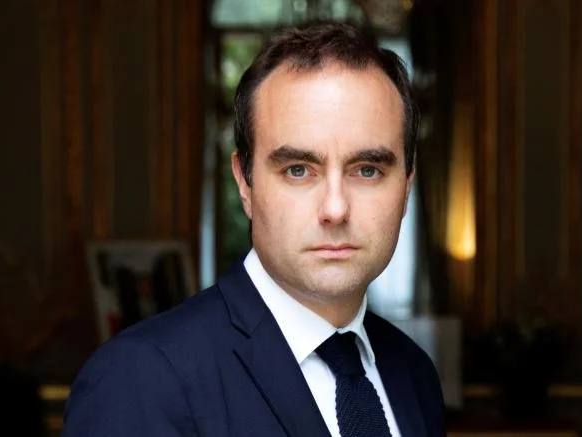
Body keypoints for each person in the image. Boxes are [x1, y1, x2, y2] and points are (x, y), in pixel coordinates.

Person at [63, 21, 446, 437]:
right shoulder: (139, 378)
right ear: (244, 183)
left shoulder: (414, 374)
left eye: (367, 170)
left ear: (407, 186)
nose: (335, 209)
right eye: (298, 170)